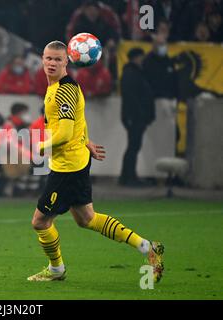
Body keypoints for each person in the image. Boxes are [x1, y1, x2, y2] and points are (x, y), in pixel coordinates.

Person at [27, 41, 164, 284]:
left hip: (67, 166)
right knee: (86, 218)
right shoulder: (60, 87)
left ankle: (56, 269)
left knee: (40, 221)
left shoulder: (64, 90)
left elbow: (65, 133)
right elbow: (79, 120)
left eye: (57, 59)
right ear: (42, 58)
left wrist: (39, 147)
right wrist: (87, 140)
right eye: (48, 58)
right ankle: (147, 247)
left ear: (67, 62)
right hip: (75, 160)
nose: (51, 63)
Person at [120, 48, 156, 186]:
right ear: (136, 58)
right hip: (135, 116)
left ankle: (127, 176)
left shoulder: (133, 73)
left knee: (133, 146)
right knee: (133, 146)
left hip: (135, 116)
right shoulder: (132, 74)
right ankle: (129, 177)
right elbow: (132, 97)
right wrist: (140, 113)